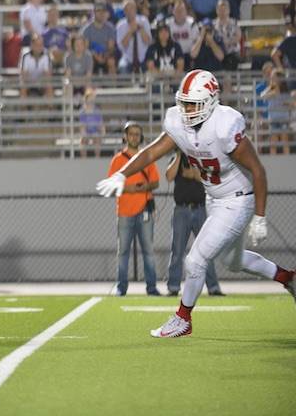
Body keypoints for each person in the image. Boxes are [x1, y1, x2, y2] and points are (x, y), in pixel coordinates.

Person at [98, 70, 296, 337]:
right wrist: (123, 173)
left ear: (211, 101)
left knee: (196, 260)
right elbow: (153, 151)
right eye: (185, 102)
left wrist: (260, 217)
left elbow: (258, 171)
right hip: (214, 199)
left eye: (194, 103)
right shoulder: (179, 122)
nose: (188, 109)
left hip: (237, 201)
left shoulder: (224, 125)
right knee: (233, 261)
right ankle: (288, 278)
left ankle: (183, 318)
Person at [106, 121, 162, 297]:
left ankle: (151, 288)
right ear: (126, 137)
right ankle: (121, 288)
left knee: (149, 251)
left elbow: (156, 182)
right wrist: (127, 188)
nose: (134, 137)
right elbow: (111, 186)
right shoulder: (117, 160)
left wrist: (144, 187)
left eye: (137, 134)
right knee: (123, 252)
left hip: (144, 210)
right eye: (131, 134)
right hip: (124, 212)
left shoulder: (146, 157)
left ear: (141, 137)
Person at [165, 151, 224, 298]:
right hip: (181, 209)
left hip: (200, 209)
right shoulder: (175, 158)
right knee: (177, 250)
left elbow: (208, 179)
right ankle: (173, 287)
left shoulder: (200, 159)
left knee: (206, 249)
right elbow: (169, 176)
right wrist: (178, 156)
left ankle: (213, 287)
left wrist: (193, 175)